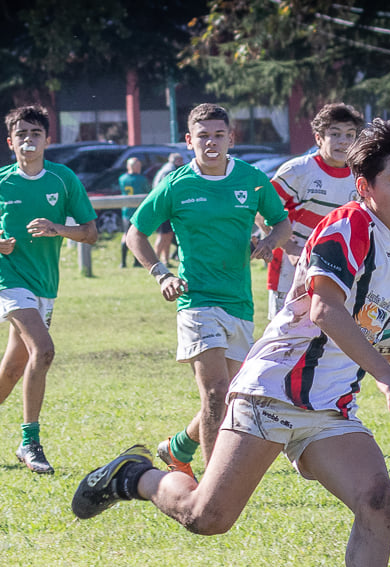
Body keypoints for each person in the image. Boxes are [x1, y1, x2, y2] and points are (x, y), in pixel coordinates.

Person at [73, 116, 390, 567]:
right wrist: (388, 375)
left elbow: (361, 326)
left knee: (377, 499)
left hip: (331, 403)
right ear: (365, 186)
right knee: (207, 517)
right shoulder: (347, 227)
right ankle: (133, 476)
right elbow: (323, 310)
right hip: (273, 388)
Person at [123, 103, 291, 479]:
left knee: (233, 398)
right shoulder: (175, 184)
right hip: (196, 300)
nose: (211, 143)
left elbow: (282, 223)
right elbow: (135, 233)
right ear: (189, 141)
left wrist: (270, 242)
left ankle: (177, 448)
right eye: (203, 136)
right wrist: (161, 273)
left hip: (239, 303)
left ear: (231, 138)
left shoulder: (252, 179)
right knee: (216, 393)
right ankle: (216, 484)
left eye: (218, 135)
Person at [0, 105, 98, 475]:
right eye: (21, 134)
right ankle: (29, 441)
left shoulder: (63, 180)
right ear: (10, 142)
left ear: (48, 140)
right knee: (44, 350)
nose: (28, 140)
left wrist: (57, 228)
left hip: (45, 285)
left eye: (35, 133)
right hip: (10, 279)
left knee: (13, 368)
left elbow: (90, 232)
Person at [265, 103, 364, 318]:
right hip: (290, 268)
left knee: (330, 336)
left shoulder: (360, 176)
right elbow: (261, 211)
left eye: (350, 135)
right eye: (335, 134)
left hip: (337, 267)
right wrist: (289, 248)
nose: (343, 141)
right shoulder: (299, 169)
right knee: (285, 340)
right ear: (318, 138)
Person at [151, 152, 185, 265]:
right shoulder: (169, 171)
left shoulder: (168, 169)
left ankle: (165, 260)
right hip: (163, 207)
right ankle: (155, 261)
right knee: (162, 235)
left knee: (168, 234)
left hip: (168, 207)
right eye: (180, 160)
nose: (183, 163)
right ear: (175, 161)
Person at [118, 157, 148, 268]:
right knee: (138, 235)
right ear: (133, 167)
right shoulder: (141, 179)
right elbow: (147, 191)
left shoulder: (122, 178)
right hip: (137, 211)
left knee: (125, 235)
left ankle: (123, 262)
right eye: (138, 166)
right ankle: (136, 261)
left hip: (125, 211)